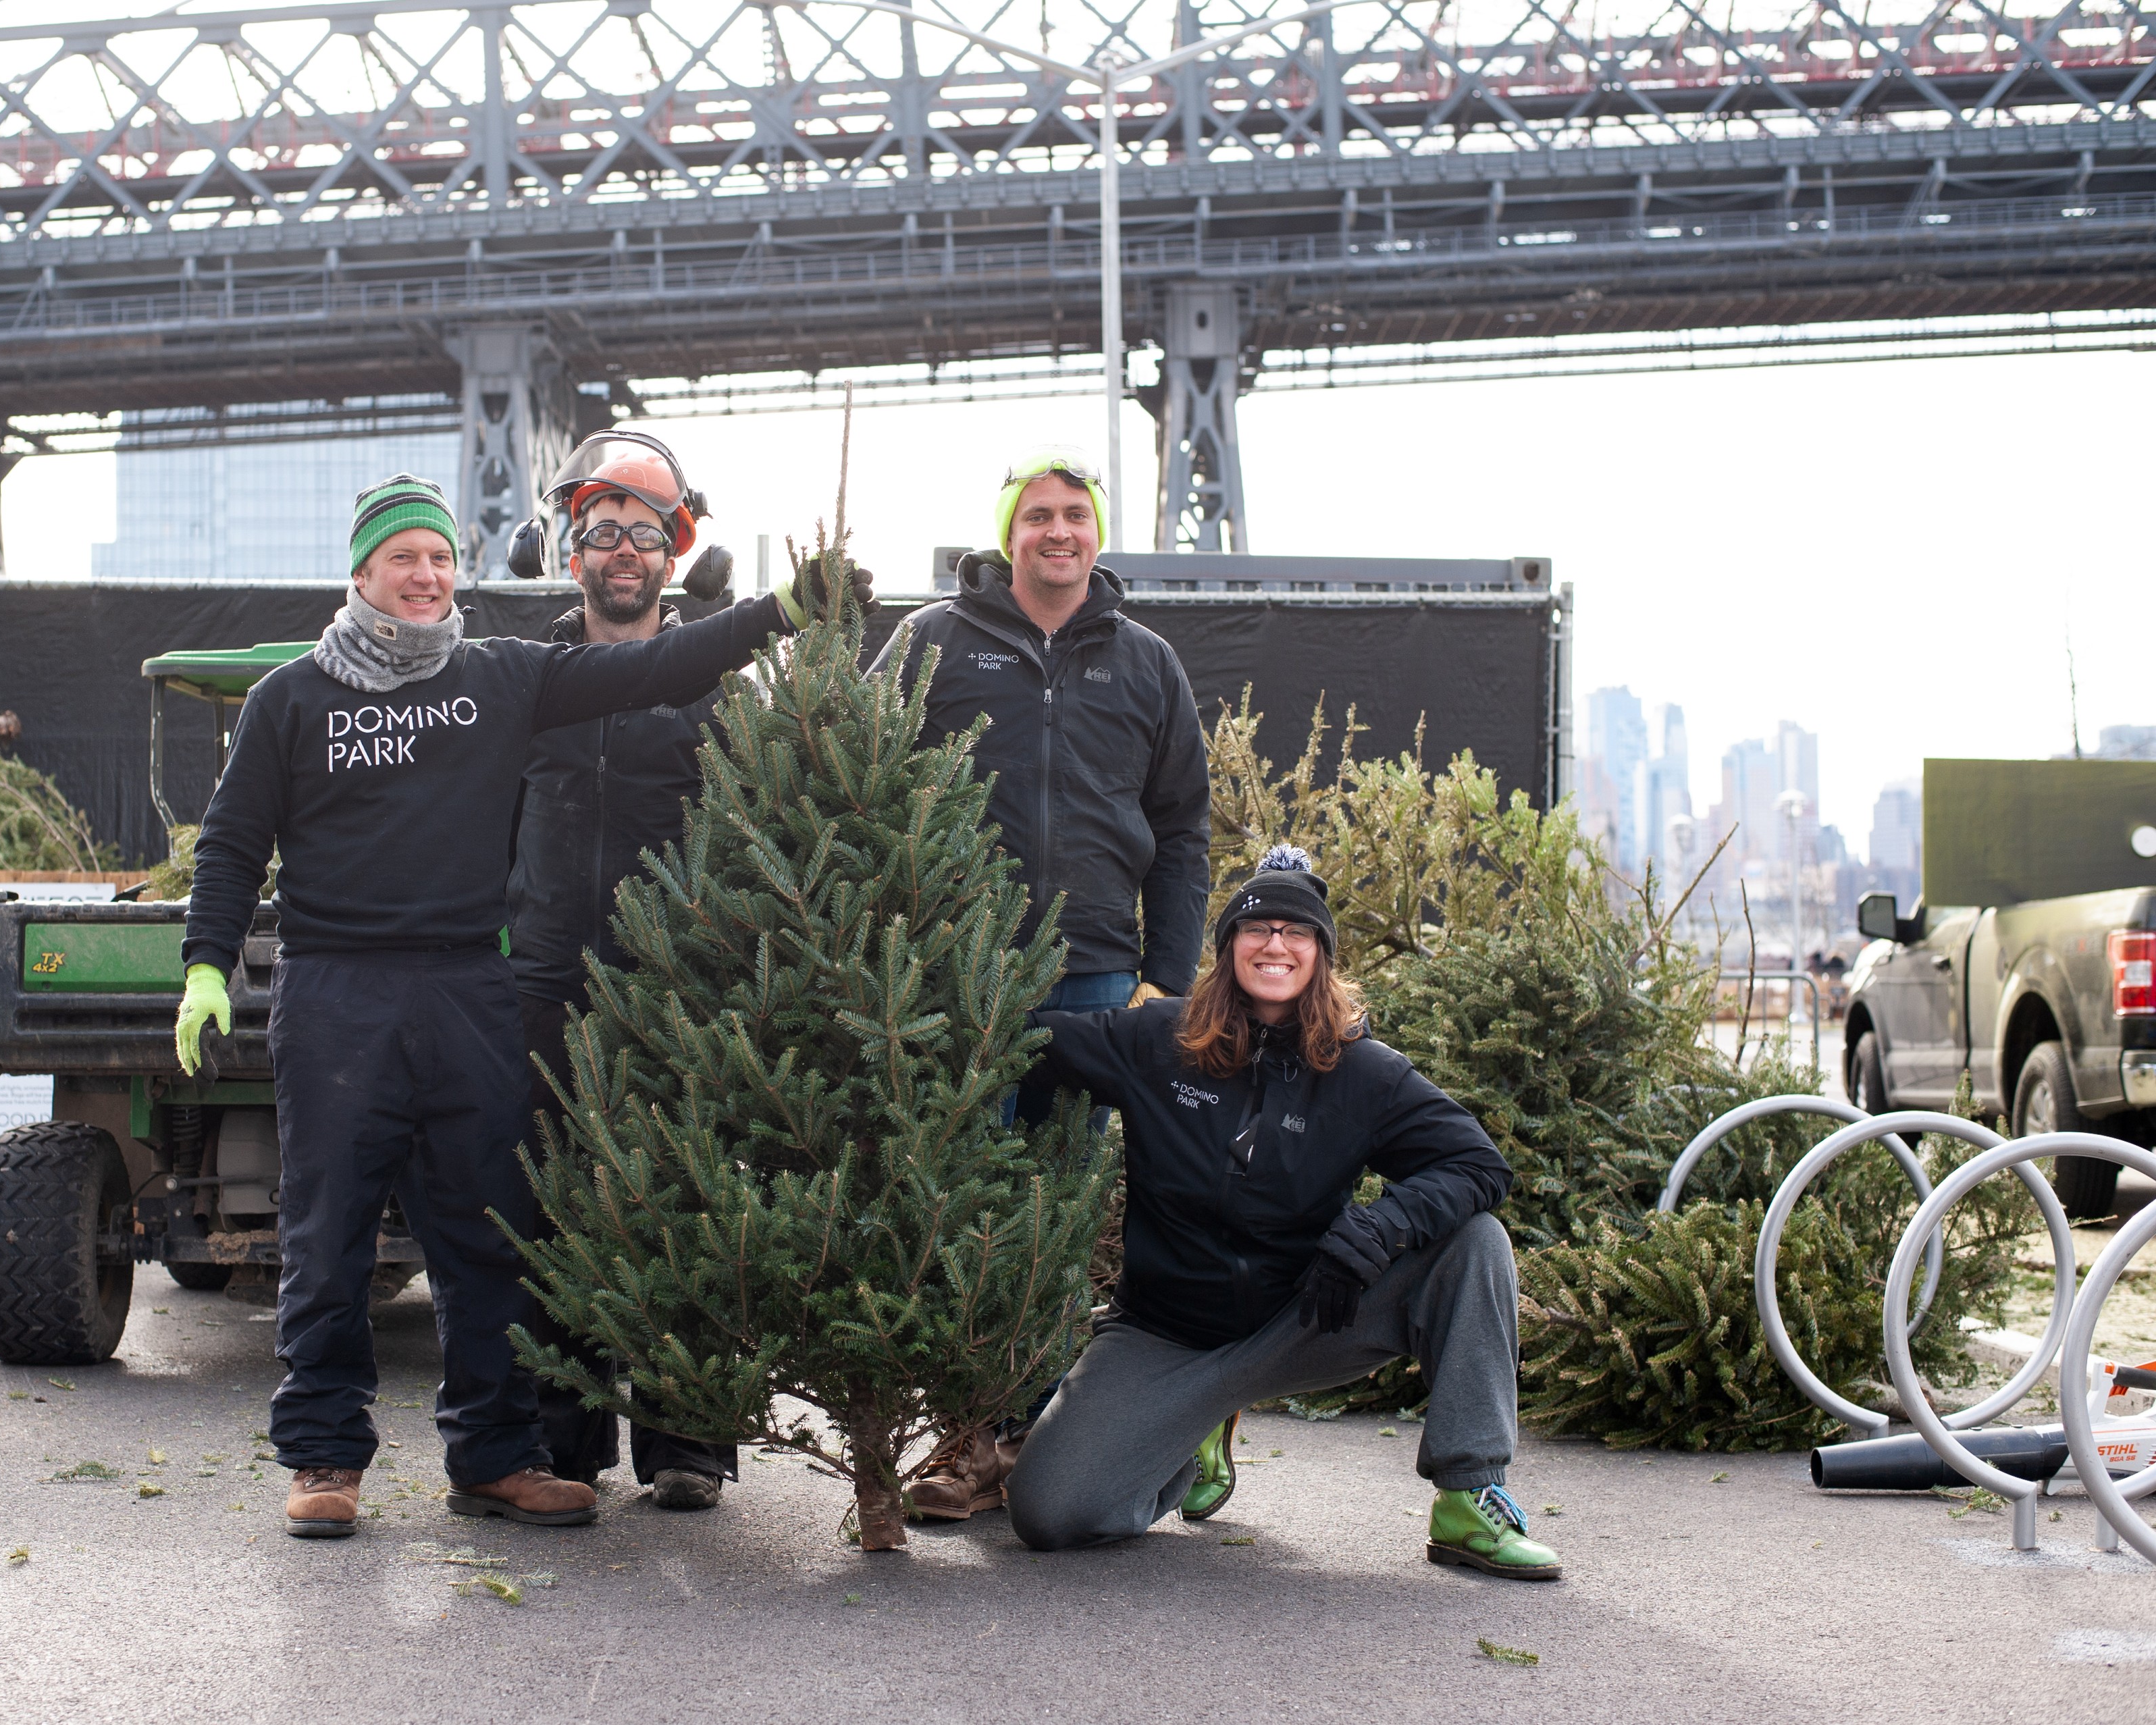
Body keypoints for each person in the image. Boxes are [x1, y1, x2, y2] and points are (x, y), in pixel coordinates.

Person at [174, 473, 866, 1539]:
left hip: (466, 986)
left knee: (484, 1232)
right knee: (327, 1233)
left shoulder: (500, 677)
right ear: (362, 571)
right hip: (337, 990)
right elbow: (229, 845)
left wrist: (782, 609)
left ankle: (494, 1456)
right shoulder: (293, 699)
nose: (426, 575)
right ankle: (323, 1455)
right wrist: (206, 965)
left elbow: (658, 663)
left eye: (442, 557)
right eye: (404, 557)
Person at [1001, 845, 1561, 1578]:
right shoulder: (1157, 1040)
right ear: (1230, 943)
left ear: (1320, 954)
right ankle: (1188, 1434)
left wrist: (1377, 1224)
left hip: (1306, 1317)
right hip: (1164, 1335)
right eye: (1257, 926)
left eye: (1296, 931)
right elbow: (1025, 1036)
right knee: (1048, 1513)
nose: (1275, 943)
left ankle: (1469, 1496)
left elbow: (1480, 1167)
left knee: (1475, 1242)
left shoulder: (1367, 1073)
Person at [870, 444, 1211, 1518]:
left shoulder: (1148, 660)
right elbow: (855, 779)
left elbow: (1183, 828)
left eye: (1075, 514)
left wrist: (1167, 976)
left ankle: (1082, 1436)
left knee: (1071, 1215)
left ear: (1096, 533)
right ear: (1007, 532)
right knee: (965, 1209)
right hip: (957, 985)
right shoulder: (932, 641)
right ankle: (977, 1440)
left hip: (1103, 984)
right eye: (1037, 515)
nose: (1056, 531)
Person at [507, 433, 745, 1511]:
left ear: (674, 551)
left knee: (686, 1199)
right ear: (573, 552)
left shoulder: (720, 689)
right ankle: (563, 1436)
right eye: (601, 531)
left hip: (676, 989)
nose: (621, 551)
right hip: (543, 981)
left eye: (642, 535)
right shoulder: (520, 677)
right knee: (552, 1201)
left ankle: (688, 1440)